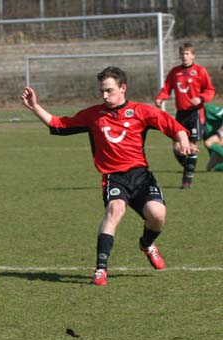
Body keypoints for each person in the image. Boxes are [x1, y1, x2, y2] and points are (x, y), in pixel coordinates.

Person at [21, 66, 191, 286]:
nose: (104, 95)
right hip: (114, 176)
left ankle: (147, 243)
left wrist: (182, 138)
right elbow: (59, 125)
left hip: (140, 176)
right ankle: (101, 269)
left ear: (123, 88)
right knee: (115, 209)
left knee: (157, 216)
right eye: (102, 91)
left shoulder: (140, 111)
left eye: (109, 90)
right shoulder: (93, 115)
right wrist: (35, 107)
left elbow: (171, 124)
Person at [155, 42, 216, 188]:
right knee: (177, 148)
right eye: (182, 54)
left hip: (195, 113)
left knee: (192, 146)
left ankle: (187, 180)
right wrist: (160, 98)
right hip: (181, 114)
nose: (185, 56)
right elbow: (166, 88)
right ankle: (189, 167)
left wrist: (200, 98)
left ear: (193, 56)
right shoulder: (175, 72)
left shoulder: (200, 71)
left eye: (187, 54)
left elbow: (210, 90)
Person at [203, 103, 223, 171]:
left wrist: (222, 131)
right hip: (217, 137)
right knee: (210, 168)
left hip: (221, 134)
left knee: (208, 142)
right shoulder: (195, 120)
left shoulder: (208, 109)